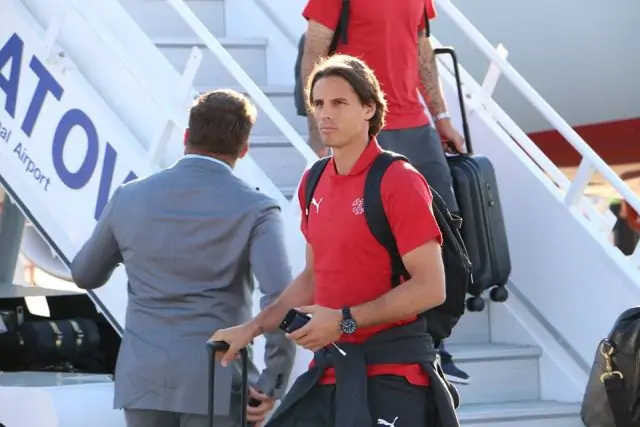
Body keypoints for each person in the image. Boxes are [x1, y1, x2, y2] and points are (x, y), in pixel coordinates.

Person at [212, 55, 459, 427]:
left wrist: (344, 322)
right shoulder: (312, 180)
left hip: (393, 374)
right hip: (329, 371)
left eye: (339, 102)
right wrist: (252, 328)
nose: (325, 114)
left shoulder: (399, 180)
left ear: (369, 108)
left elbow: (431, 287)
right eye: (318, 103)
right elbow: (313, 278)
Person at [70, 89, 296, 427]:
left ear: (186, 136)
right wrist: (272, 381)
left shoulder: (128, 197)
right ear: (244, 149)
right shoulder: (258, 209)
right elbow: (279, 297)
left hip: (143, 379)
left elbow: (85, 274)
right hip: (216, 381)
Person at [299, 0, 470, 384]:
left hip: (415, 123)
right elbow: (315, 50)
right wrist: (320, 130)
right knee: (379, 244)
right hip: (364, 125)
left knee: (446, 235)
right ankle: (382, 337)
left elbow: (422, 48)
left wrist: (441, 116)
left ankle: (436, 343)